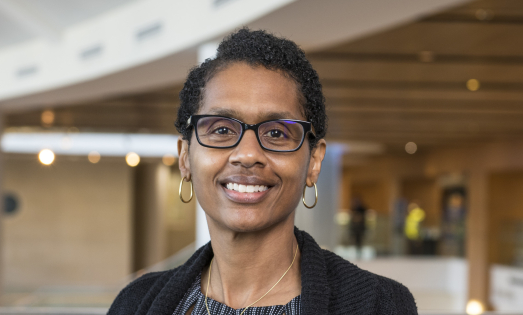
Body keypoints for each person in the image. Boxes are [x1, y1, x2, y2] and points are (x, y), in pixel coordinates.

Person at [108, 28, 417, 315]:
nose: (248, 154)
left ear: (313, 162)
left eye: (276, 133)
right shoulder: (134, 304)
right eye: (222, 129)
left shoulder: (380, 305)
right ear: (185, 157)